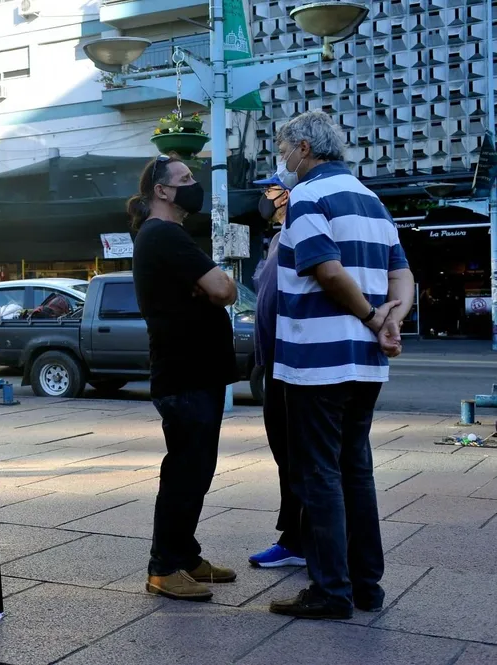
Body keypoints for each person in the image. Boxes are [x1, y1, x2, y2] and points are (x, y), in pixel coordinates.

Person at [268, 111, 414, 619]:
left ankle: (331, 590)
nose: (282, 161)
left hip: (317, 359)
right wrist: (392, 320)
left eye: (284, 151)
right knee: (356, 470)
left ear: (304, 148)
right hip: (367, 362)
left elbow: (327, 271)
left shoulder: (309, 196)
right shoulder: (371, 200)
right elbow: (403, 274)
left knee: (320, 474)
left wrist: (375, 317)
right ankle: (367, 587)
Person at [129, 155, 240, 602]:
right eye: (186, 179)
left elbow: (217, 289)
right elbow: (224, 290)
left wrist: (212, 287)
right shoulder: (163, 234)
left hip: (195, 372)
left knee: (197, 469)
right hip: (185, 373)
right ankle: (164, 568)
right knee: (186, 472)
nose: (194, 185)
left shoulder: (167, 235)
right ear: (162, 190)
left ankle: (186, 556)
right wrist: (214, 287)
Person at [248, 175, 306, 570]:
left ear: (286, 195)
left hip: (294, 362)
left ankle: (301, 541)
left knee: (299, 456)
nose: (265, 198)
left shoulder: (302, 230)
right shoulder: (276, 237)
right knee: (285, 454)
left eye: (270, 190)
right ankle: (295, 538)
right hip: (274, 363)